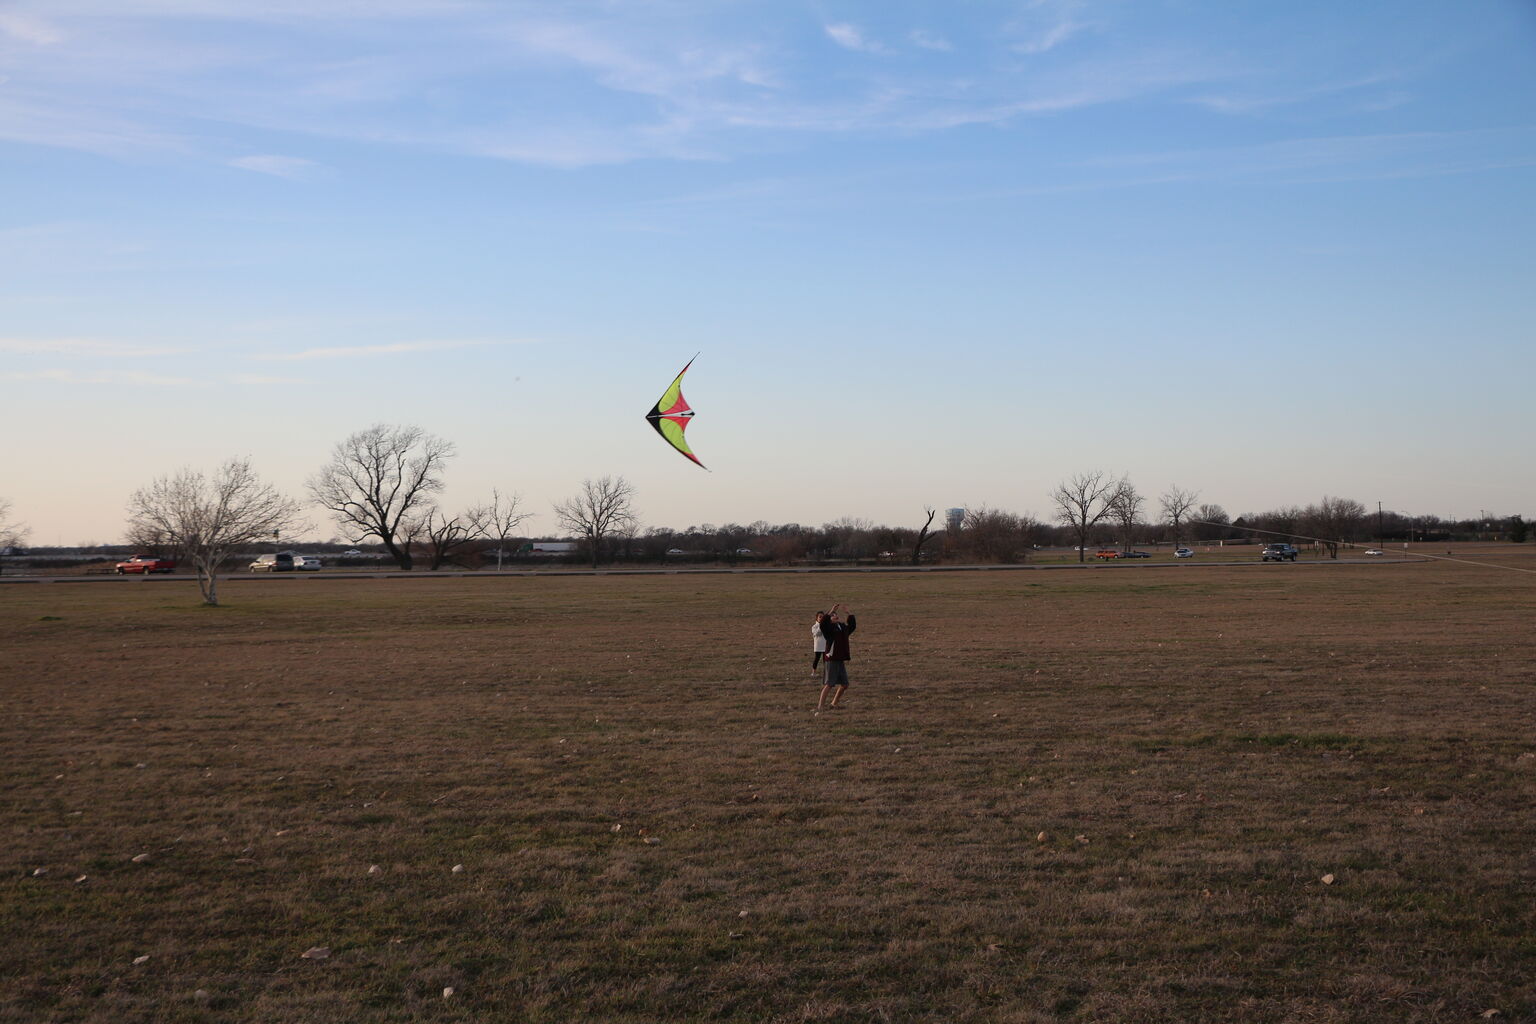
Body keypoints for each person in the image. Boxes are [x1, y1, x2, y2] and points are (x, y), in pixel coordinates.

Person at [816, 602, 856, 712]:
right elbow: (823, 624)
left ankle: (834, 703)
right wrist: (830, 612)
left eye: (835, 614)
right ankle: (820, 706)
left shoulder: (842, 627)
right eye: (832, 615)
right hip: (831, 659)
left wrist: (849, 614)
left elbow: (852, 626)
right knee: (829, 684)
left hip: (840, 659)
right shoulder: (828, 630)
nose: (835, 616)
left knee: (844, 684)